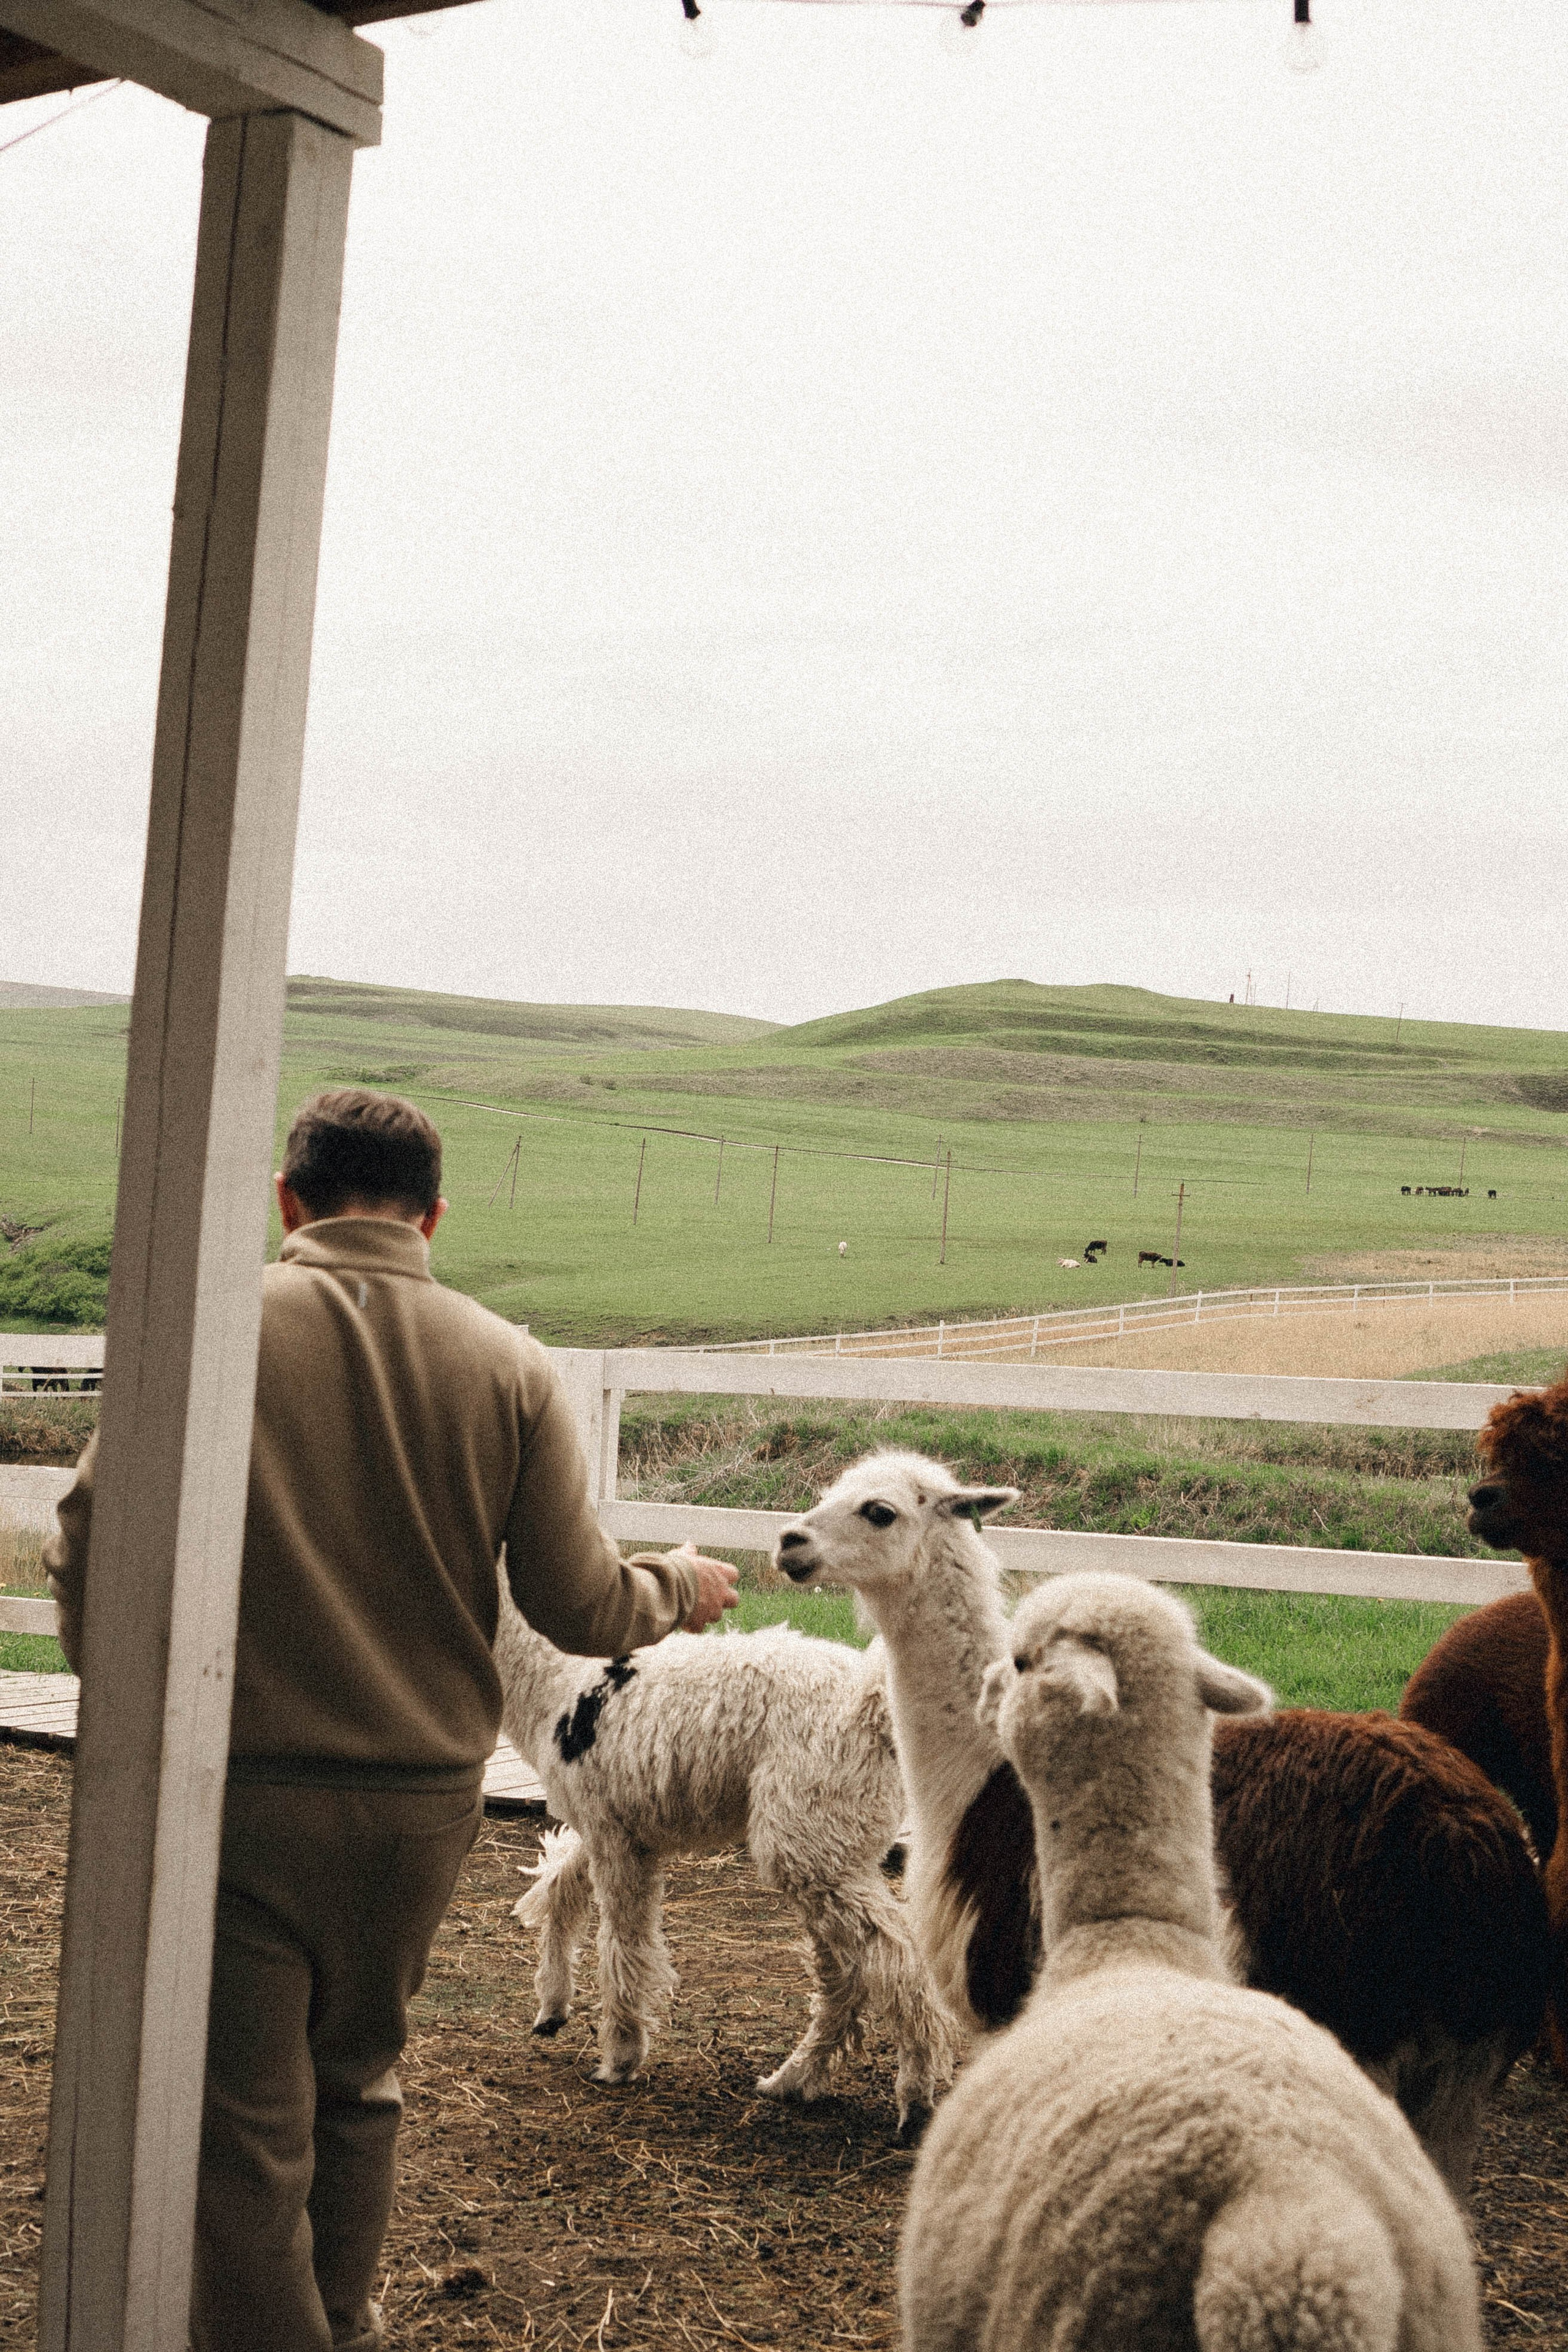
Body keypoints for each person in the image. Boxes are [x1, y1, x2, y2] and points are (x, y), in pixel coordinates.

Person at [44, 1088, 739, 2352]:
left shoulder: (205, 1333)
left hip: (238, 1790)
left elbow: (88, 1535)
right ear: (433, 1216)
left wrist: (123, 1701)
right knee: (359, 2086)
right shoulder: (510, 1365)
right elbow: (576, 1603)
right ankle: (344, 2325)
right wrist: (675, 1589)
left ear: (287, 1200)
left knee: (245, 2130)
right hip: (419, 1801)